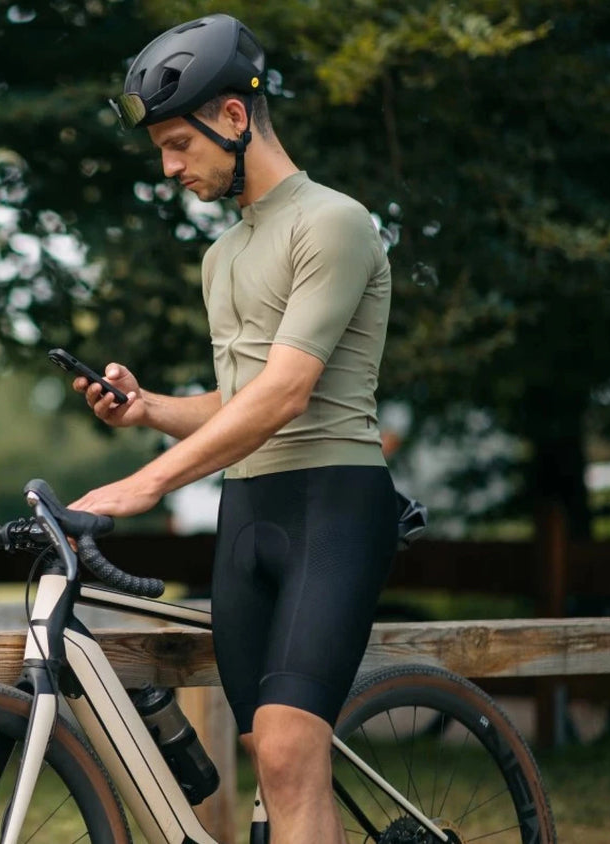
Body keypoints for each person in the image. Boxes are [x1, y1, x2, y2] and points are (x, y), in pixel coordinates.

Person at [67, 14, 398, 844]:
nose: (171, 168)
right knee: (269, 753)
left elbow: (286, 394)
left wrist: (149, 482)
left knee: (287, 750)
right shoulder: (222, 256)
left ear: (234, 118)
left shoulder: (333, 222)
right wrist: (147, 411)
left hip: (333, 500)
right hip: (248, 513)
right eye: (161, 152)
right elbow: (236, 400)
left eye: (180, 144)